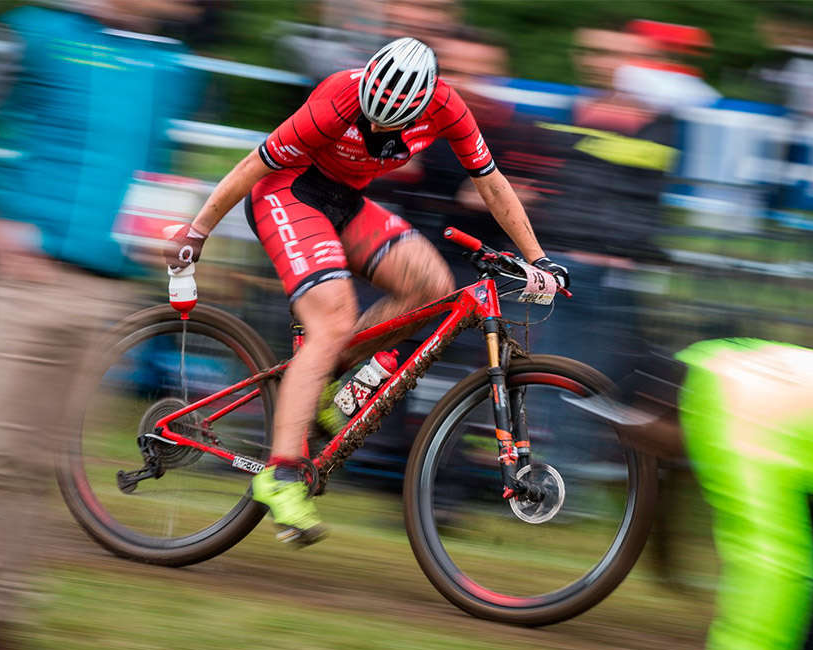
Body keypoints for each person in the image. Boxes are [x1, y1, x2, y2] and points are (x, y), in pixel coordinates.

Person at [164, 37, 569, 546]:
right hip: (288, 195)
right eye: (371, 117)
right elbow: (254, 166)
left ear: (422, 104)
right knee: (332, 321)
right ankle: (281, 474)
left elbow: (491, 182)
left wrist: (538, 258)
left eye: (390, 123)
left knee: (433, 286)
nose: (377, 129)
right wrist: (196, 232)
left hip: (344, 200)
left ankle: (328, 379)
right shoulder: (337, 98)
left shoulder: (447, 105)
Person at [0, 1, 200, 650]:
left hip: (105, 291)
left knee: (36, 463)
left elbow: (159, 168)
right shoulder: (33, 31)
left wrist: (161, 240)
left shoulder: (170, 64)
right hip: (16, 280)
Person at [568, 338, 813, 650]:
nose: (634, 448)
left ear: (655, 407)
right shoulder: (707, 373)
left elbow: (769, 567)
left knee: (808, 588)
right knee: (808, 590)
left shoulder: (735, 432)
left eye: (631, 434)